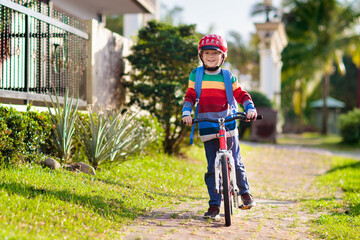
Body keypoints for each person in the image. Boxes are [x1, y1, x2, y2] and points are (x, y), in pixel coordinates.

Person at [182, 34, 258, 220]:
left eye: (215, 53)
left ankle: (245, 193)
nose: (210, 56)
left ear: (222, 56)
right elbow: (190, 96)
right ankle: (214, 205)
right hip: (207, 124)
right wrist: (186, 113)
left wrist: (250, 108)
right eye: (207, 53)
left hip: (228, 123)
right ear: (201, 55)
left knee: (236, 161)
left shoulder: (228, 76)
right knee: (211, 167)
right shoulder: (196, 74)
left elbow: (241, 94)